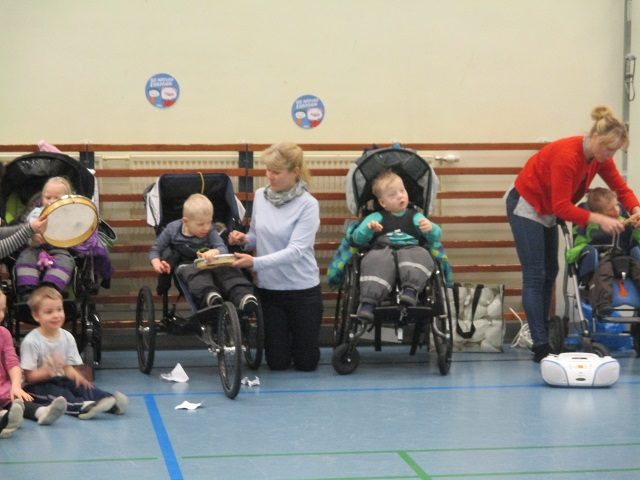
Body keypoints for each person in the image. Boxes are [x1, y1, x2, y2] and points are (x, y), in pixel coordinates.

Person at [506, 105, 640, 362]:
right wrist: (599, 219)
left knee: (551, 271)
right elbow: (562, 207)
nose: (610, 155)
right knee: (535, 275)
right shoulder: (568, 156)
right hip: (527, 204)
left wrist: (635, 208)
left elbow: (621, 189)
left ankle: (543, 334)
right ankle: (540, 345)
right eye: (609, 148)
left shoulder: (599, 157)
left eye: (615, 151)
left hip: (547, 207)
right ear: (596, 137)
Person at [229, 142, 322, 371]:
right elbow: (256, 235)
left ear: (295, 172)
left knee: (306, 363)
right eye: (268, 170)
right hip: (269, 290)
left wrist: (255, 262)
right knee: (277, 363)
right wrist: (244, 240)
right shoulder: (261, 196)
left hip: (302, 290)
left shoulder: (308, 205)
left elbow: (296, 251)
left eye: (276, 172)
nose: (269, 176)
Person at [350, 170, 446, 321]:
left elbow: (436, 237)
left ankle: (411, 291)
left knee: (422, 254)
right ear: (383, 202)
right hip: (383, 249)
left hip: (410, 248)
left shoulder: (416, 217)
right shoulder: (375, 217)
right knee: (373, 260)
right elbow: (357, 239)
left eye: (402, 191)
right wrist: (368, 229)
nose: (400, 196)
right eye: (393, 194)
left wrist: (430, 229)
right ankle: (368, 302)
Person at [20, 286, 128, 419]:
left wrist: (78, 378)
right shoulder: (31, 341)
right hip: (37, 386)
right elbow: (29, 377)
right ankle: (81, 408)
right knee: (61, 394)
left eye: (59, 309)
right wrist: (48, 371)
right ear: (36, 316)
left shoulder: (67, 337)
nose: (56, 315)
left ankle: (109, 401)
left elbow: (66, 367)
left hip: (60, 379)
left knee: (82, 387)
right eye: (49, 312)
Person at [148, 193, 257, 312]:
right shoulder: (172, 230)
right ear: (185, 221)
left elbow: (222, 248)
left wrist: (215, 251)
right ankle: (210, 297)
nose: (206, 227)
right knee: (196, 275)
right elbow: (155, 249)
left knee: (228, 270)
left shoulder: (210, 230)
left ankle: (242, 295)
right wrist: (157, 262)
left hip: (211, 262)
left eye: (209, 222)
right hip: (187, 264)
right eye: (201, 224)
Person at [0, 290, 66, 438]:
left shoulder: (3, 333)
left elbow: (12, 362)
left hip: (3, 389)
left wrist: (16, 386)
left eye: (2, 309)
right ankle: (5, 418)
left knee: (20, 401)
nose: (1, 315)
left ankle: (42, 412)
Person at [15, 177, 76, 297]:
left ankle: (51, 286)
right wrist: (32, 239)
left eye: (57, 198)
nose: (51, 202)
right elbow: (26, 231)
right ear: (42, 198)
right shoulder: (36, 213)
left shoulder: (71, 216)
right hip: (36, 247)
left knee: (66, 261)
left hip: (59, 248)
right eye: (47, 197)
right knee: (25, 257)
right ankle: (27, 289)